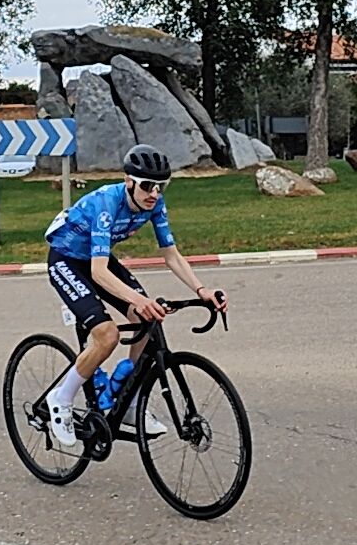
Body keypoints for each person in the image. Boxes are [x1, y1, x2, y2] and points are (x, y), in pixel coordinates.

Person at [39, 144, 227, 447]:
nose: (154, 192)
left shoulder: (155, 204)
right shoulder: (106, 204)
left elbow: (172, 256)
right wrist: (140, 299)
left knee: (147, 320)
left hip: (96, 259)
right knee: (107, 334)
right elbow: (99, 272)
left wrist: (202, 291)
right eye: (147, 185)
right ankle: (60, 398)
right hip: (67, 260)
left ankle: (127, 402)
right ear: (129, 182)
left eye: (160, 186)